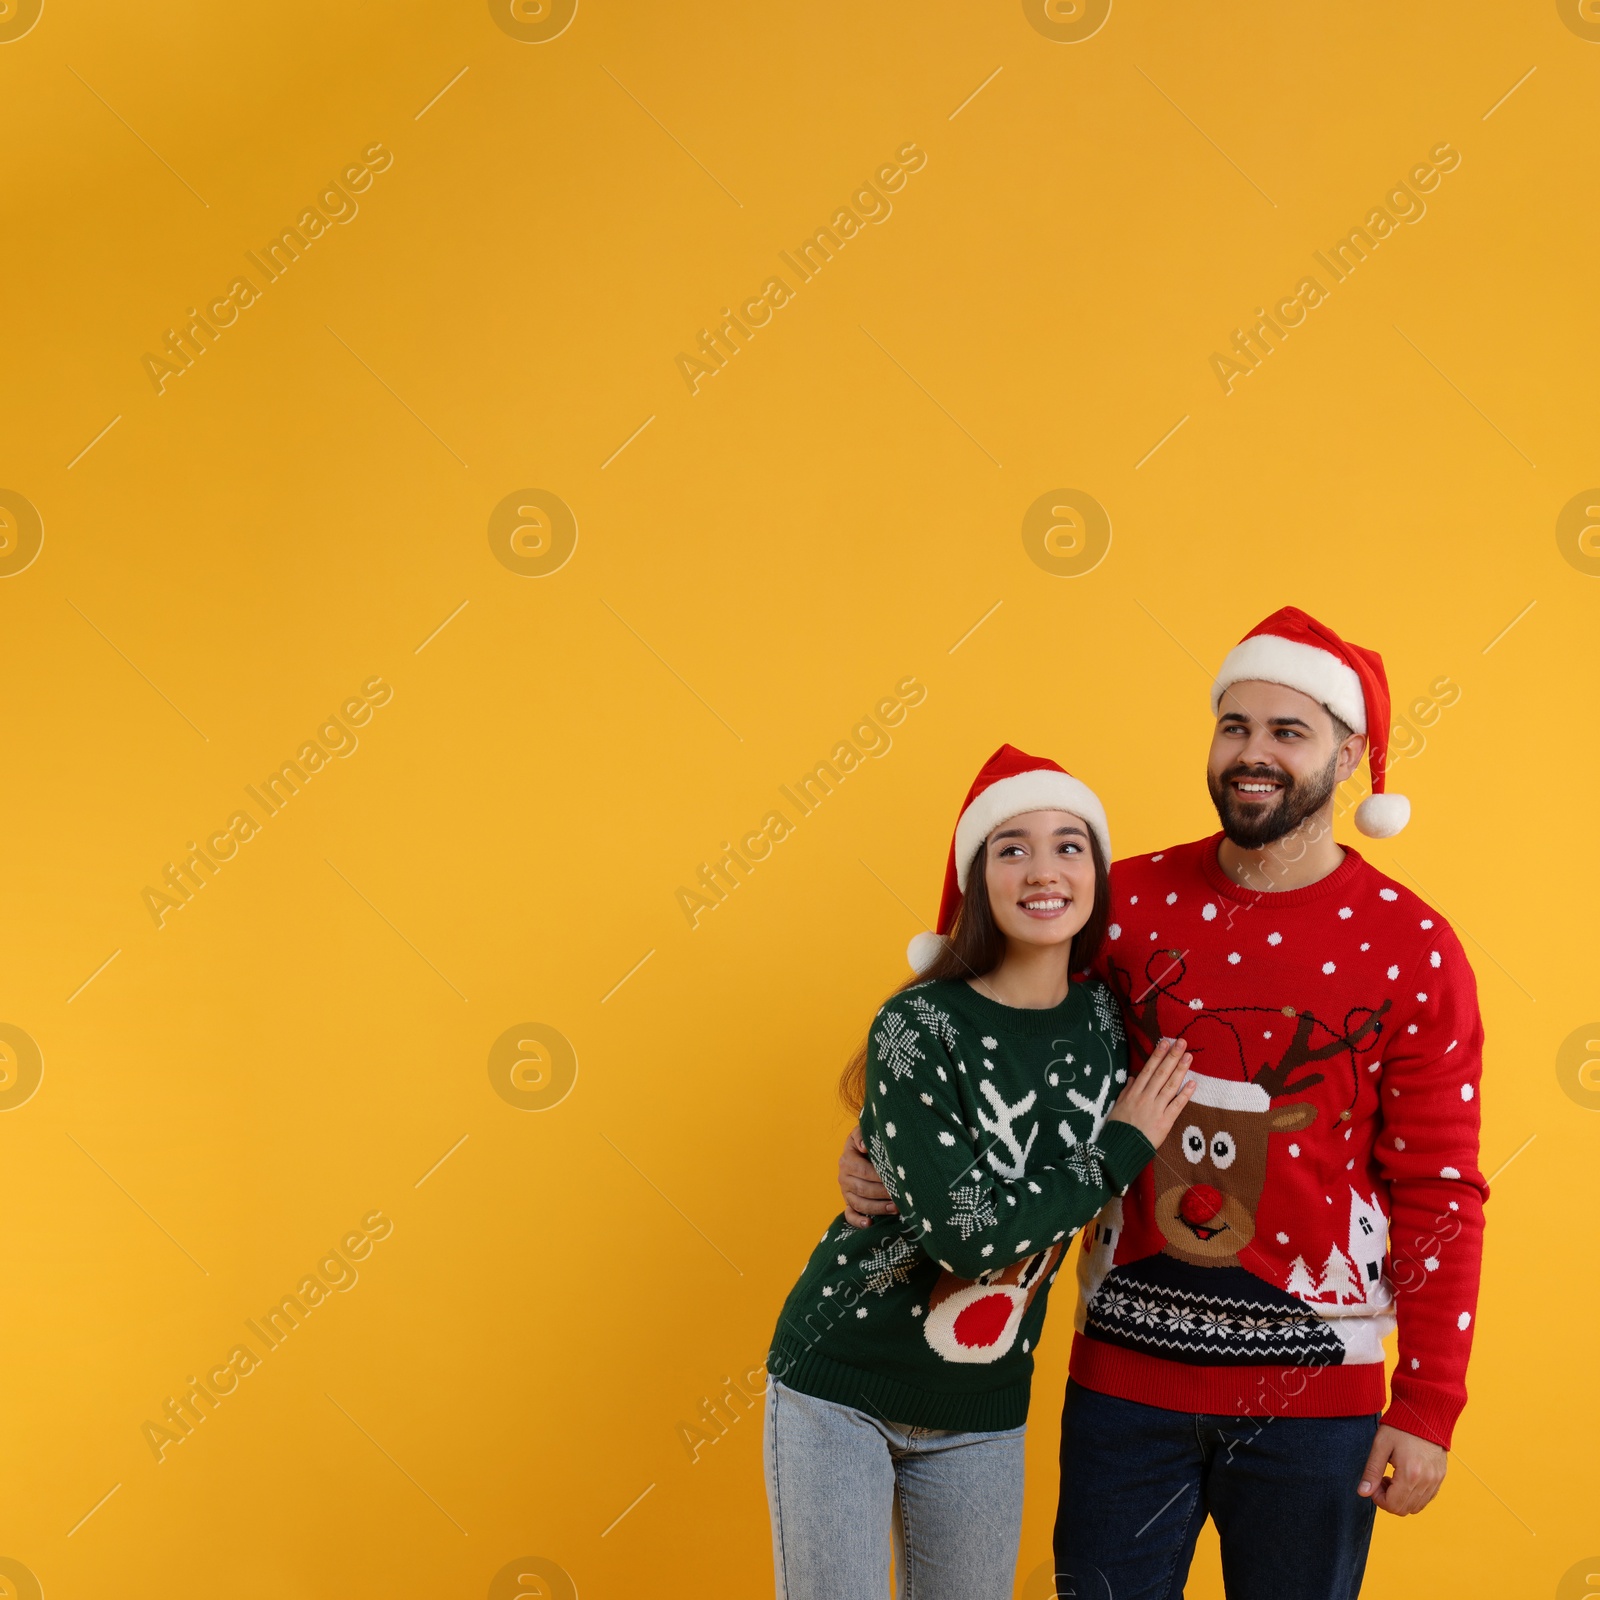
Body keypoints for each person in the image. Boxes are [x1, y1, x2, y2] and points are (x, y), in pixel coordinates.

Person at [838, 607, 1487, 1600]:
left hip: (1317, 1403)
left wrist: (1429, 1400)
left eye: (1287, 731)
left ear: (1348, 752)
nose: (1252, 754)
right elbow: (990, 1036)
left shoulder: (1412, 945)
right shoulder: (1123, 903)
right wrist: (882, 1137)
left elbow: (1439, 1187)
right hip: (1122, 1391)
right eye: (1234, 726)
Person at [764, 744, 1199, 1600]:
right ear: (978, 880)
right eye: (1013, 848)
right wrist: (1119, 1145)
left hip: (983, 1407)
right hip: (840, 1387)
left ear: (1097, 874)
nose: (1045, 870)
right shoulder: (916, 1026)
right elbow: (972, 1237)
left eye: (1069, 845)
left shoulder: (1113, 1025)